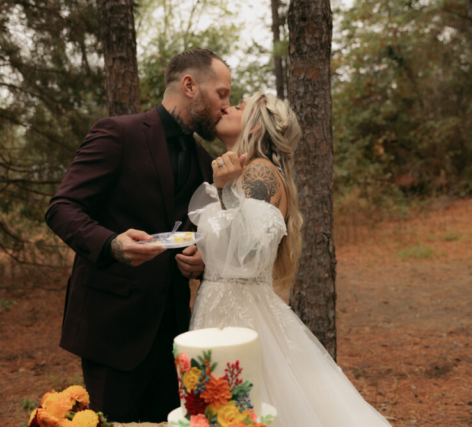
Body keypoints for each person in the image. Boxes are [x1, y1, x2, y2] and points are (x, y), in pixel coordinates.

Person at [45, 48, 232, 423]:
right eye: (222, 93)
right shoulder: (117, 133)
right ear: (190, 85)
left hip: (175, 332)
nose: (225, 106)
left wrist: (198, 259)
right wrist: (111, 244)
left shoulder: (202, 160)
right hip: (113, 329)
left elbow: (192, 230)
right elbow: (61, 208)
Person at [188, 93, 392, 426]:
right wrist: (202, 257)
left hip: (239, 315)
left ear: (254, 126)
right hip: (223, 305)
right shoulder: (245, 170)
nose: (227, 107)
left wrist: (225, 191)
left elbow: (249, 254)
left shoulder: (259, 173)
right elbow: (232, 245)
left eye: (238, 107)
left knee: (244, 410)